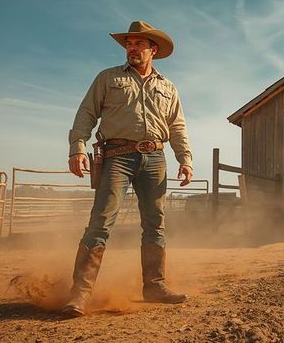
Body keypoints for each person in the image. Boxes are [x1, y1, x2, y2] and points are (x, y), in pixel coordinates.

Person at [62, 20, 193, 317]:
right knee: (101, 221)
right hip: (116, 156)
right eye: (128, 44)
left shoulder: (168, 87)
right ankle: (80, 294)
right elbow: (86, 113)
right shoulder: (107, 78)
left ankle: (155, 286)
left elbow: (177, 125)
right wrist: (77, 147)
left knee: (155, 223)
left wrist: (185, 159)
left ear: (153, 50)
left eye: (139, 44)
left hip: (156, 158)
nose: (131, 49)